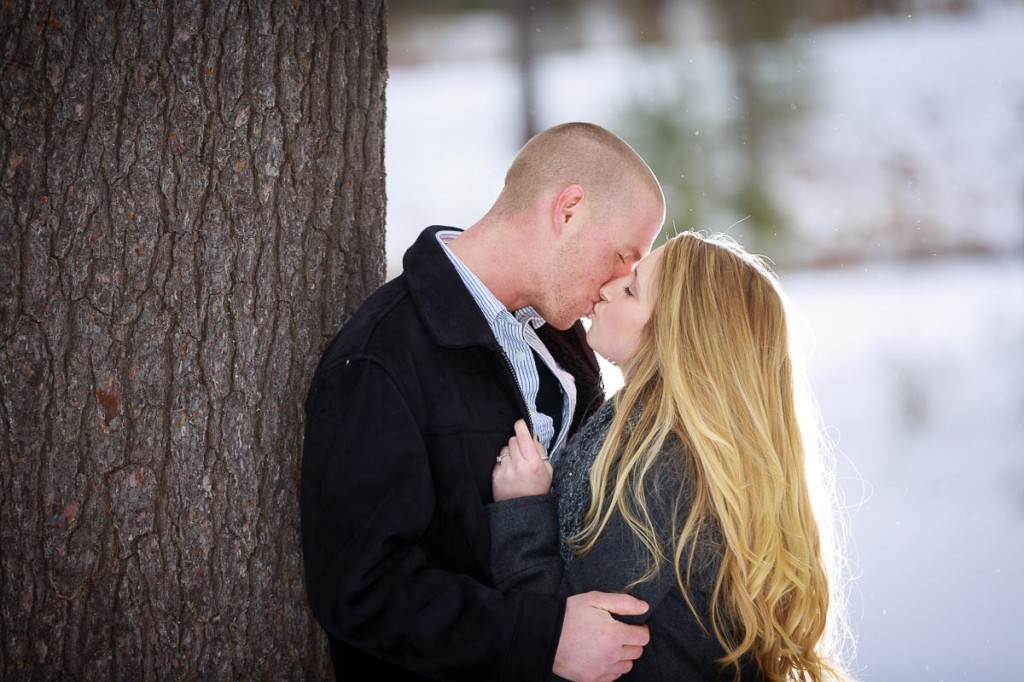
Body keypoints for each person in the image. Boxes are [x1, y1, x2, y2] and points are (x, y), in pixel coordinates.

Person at [300, 122, 667, 680]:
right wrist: (542, 637)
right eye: (622, 254)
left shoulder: (562, 337)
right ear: (568, 210)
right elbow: (362, 588)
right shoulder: (383, 359)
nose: (619, 282)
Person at [489, 232, 854, 681]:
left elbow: (575, 643)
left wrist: (521, 510)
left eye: (630, 289)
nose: (606, 288)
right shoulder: (673, 444)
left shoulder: (658, 468)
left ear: (678, 336)